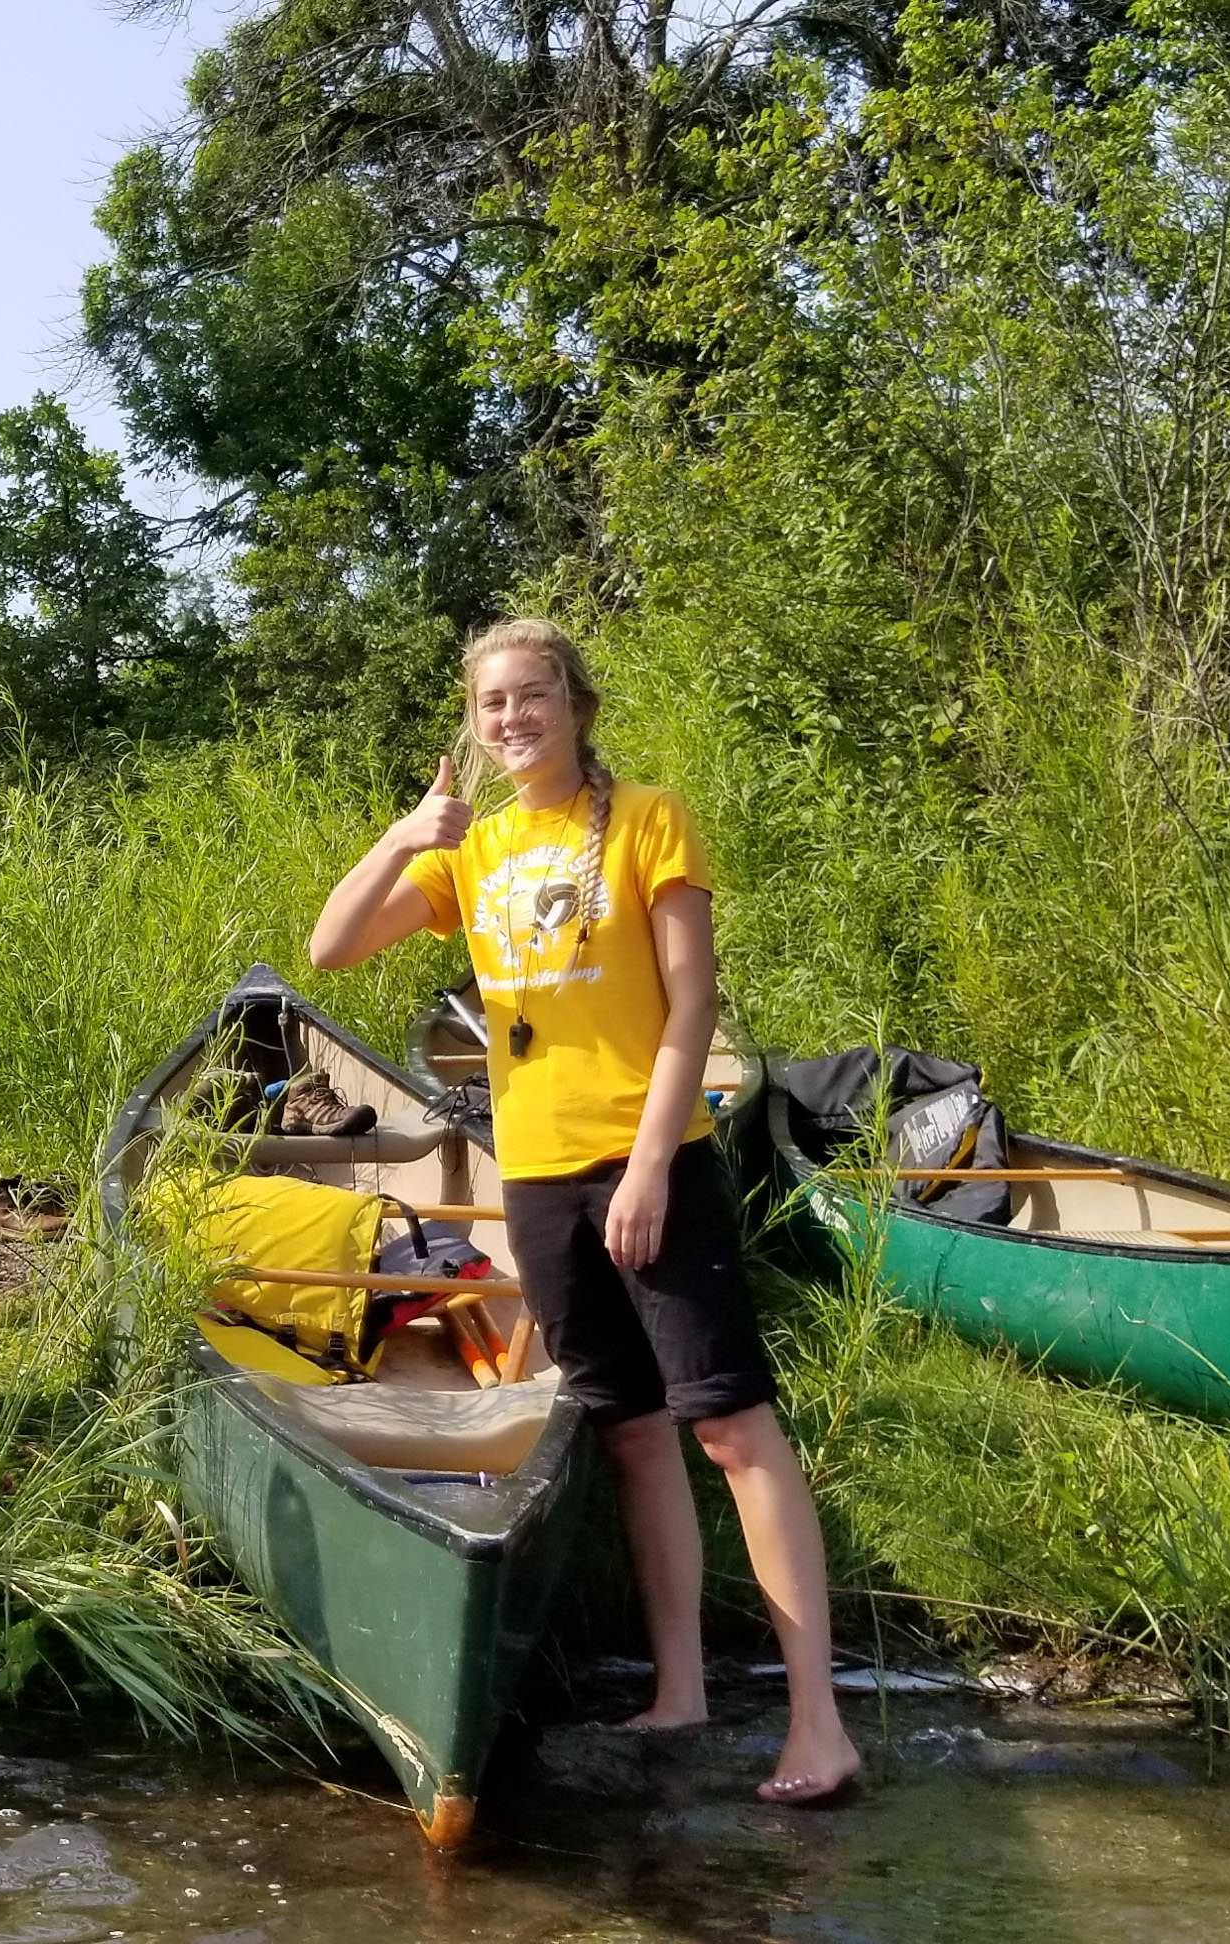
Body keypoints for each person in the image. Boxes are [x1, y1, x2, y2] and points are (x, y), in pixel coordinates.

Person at [305, 619, 862, 1806]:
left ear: (575, 704)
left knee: (729, 1425)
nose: (512, 719)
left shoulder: (651, 817)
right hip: (540, 1175)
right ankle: (681, 1691)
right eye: (493, 704)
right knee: (630, 1430)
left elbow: (691, 1006)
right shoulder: (477, 849)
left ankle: (818, 1722)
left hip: (649, 1157)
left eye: (533, 697)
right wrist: (408, 832)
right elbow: (333, 943)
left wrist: (655, 1164)